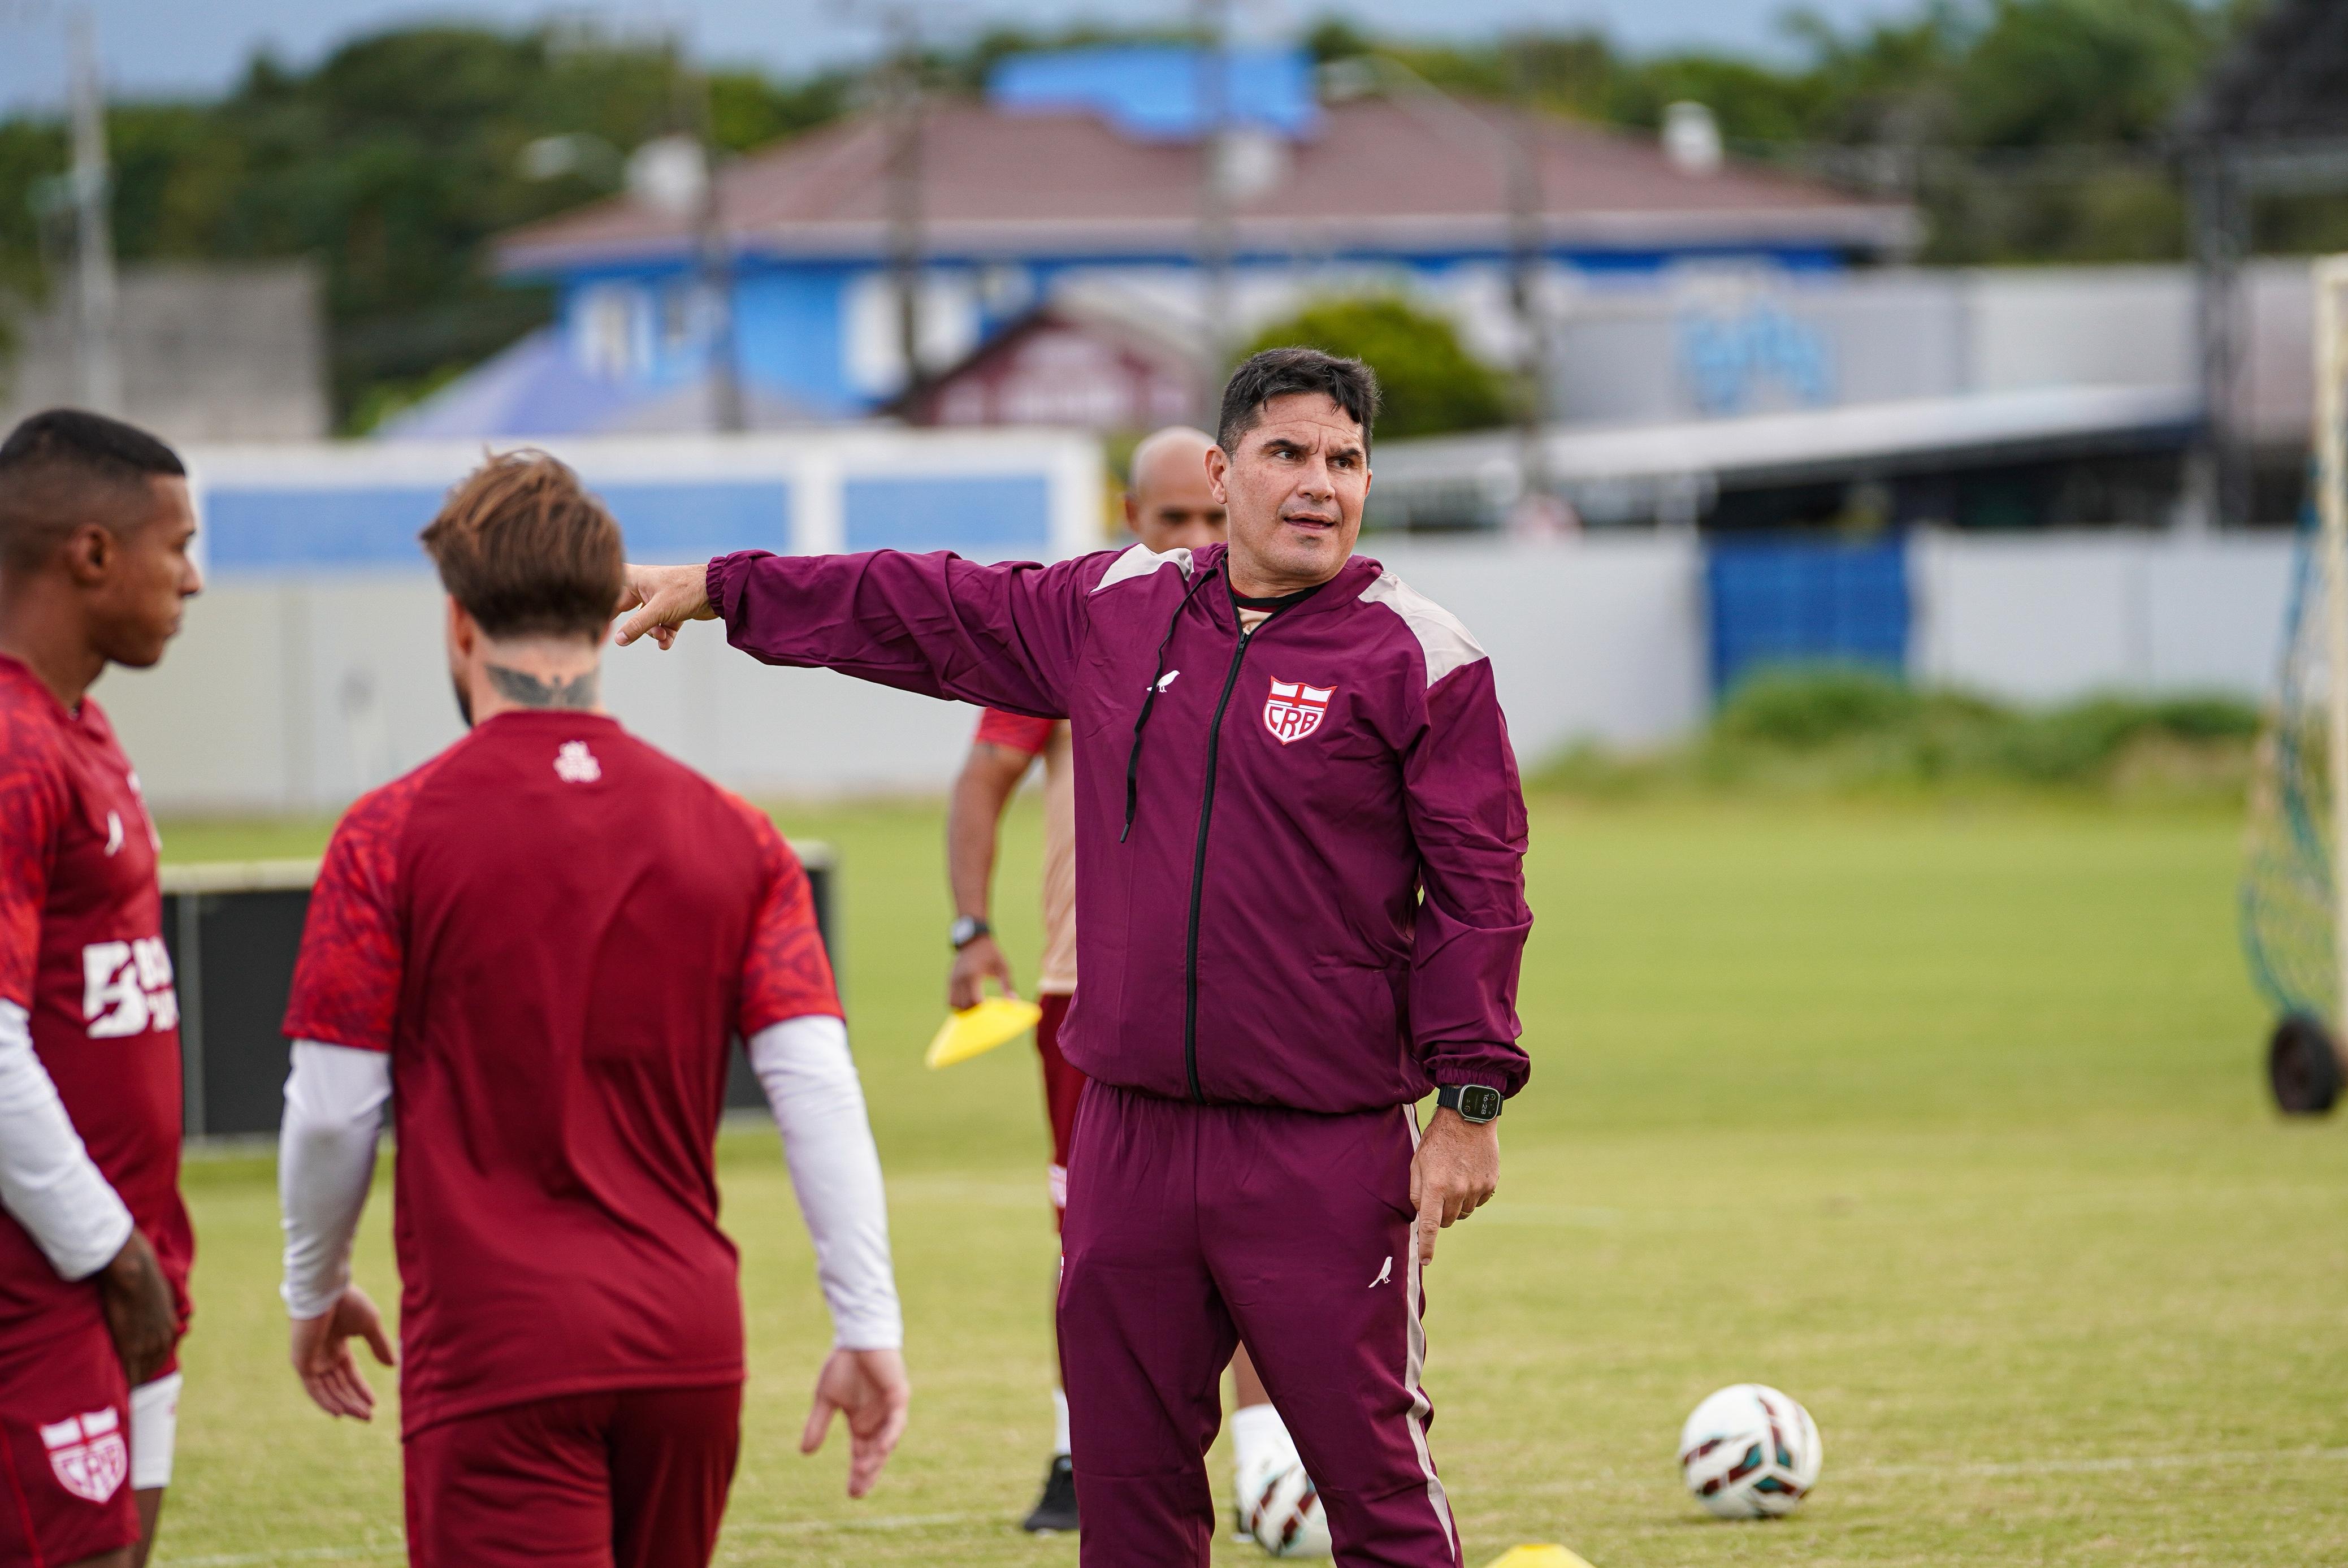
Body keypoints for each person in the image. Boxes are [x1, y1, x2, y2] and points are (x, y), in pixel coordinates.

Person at [616, 347, 1532, 1568]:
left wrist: (1468, 1105)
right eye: (1288, 453)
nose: (1319, 484)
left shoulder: (1420, 655)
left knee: (1375, 1487)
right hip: (1130, 1139)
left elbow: (1482, 891)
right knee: (1129, 1498)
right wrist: (722, 590)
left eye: (1345, 460)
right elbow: (920, 605)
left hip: (1320, 1145)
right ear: (1225, 468)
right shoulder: (1120, 609)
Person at [274, 452, 910, 1568]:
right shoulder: (736, 833)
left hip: (497, 1350)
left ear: (459, 624)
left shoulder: (387, 834)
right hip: (688, 1348)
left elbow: (333, 1112)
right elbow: (817, 1089)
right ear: (610, 606)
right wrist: (867, 1324)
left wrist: (313, 1285)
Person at [951, 427, 1313, 1538]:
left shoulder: (1292, 627)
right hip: (1087, 992)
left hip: (1247, 995)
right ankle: (1077, 1453)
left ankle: (1263, 1472)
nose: (1200, 540)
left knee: (1254, 1236)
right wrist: (972, 929)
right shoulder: (1090, 627)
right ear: (1130, 516)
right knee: (1097, 1240)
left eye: (1213, 517)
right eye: (1176, 522)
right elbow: (983, 780)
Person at [0, 409, 202, 1568]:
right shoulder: (11, 747)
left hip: (127, 1267)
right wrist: (108, 1252)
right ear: (90, 554)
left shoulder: (83, 729)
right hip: (51, 1275)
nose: (194, 578)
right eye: (175, 545)